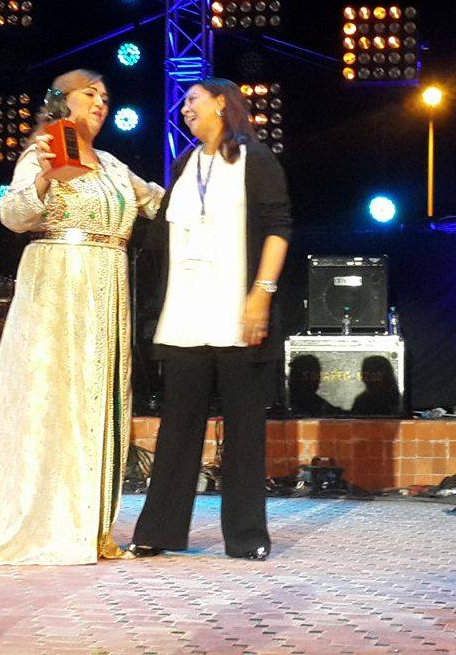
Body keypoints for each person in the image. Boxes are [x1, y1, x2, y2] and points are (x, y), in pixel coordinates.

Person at [0, 69, 163, 565]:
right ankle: (51, 521)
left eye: (106, 97)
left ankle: (93, 526)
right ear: (63, 101)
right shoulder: (43, 150)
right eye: (90, 94)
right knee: (54, 400)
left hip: (107, 288)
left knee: (99, 400)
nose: (100, 103)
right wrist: (43, 179)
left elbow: (156, 202)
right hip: (57, 289)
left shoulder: (113, 165)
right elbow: (12, 215)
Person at [129, 78, 292, 561]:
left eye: (193, 100)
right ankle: (159, 530)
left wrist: (261, 294)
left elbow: (278, 229)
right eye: (183, 103)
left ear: (222, 102)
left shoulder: (255, 159)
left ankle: (247, 536)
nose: (184, 109)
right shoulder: (184, 165)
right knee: (178, 427)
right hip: (186, 313)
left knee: (244, 430)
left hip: (238, 312)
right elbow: (160, 233)